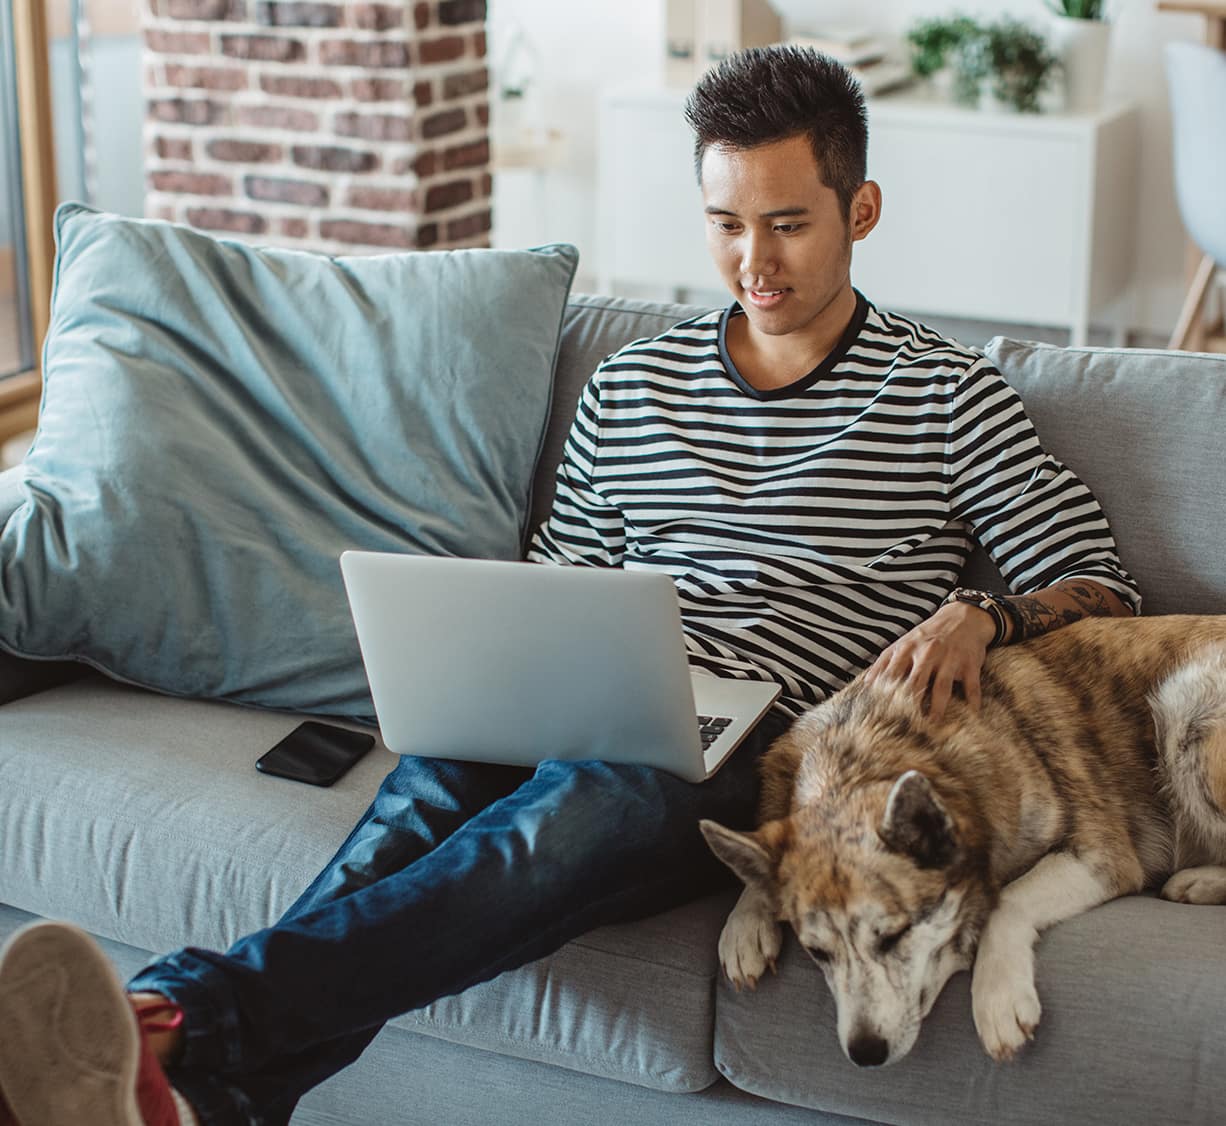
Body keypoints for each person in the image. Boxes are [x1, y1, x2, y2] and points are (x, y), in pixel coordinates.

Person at [0, 45, 1139, 1126]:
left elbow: (1103, 585)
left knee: (560, 824)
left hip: (768, 748)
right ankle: (205, 1096)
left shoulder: (946, 395)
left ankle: (174, 1015)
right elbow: (559, 586)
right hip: (600, 689)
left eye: (789, 224)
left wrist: (982, 613)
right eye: (726, 224)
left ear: (862, 210)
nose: (754, 261)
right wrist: (500, 667)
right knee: (415, 810)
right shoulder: (632, 385)